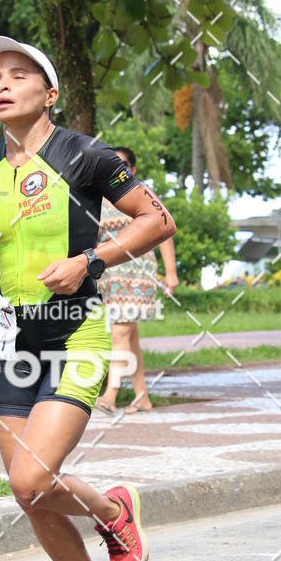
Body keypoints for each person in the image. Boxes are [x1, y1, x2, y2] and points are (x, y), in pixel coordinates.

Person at [0, 36, 176, 561]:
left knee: (31, 479)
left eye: (17, 75)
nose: (0, 84)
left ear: (48, 94)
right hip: (15, 339)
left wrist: (89, 261)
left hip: (76, 328)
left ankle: (112, 511)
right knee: (27, 492)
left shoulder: (86, 155)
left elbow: (157, 220)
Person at [95, 146, 179, 415]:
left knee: (120, 331)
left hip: (136, 271)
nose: (118, 169)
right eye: (112, 164)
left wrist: (171, 273)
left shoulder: (140, 194)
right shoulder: (98, 198)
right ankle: (142, 396)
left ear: (132, 169)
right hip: (110, 274)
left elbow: (163, 230)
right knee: (129, 336)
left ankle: (110, 395)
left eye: (123, 165)